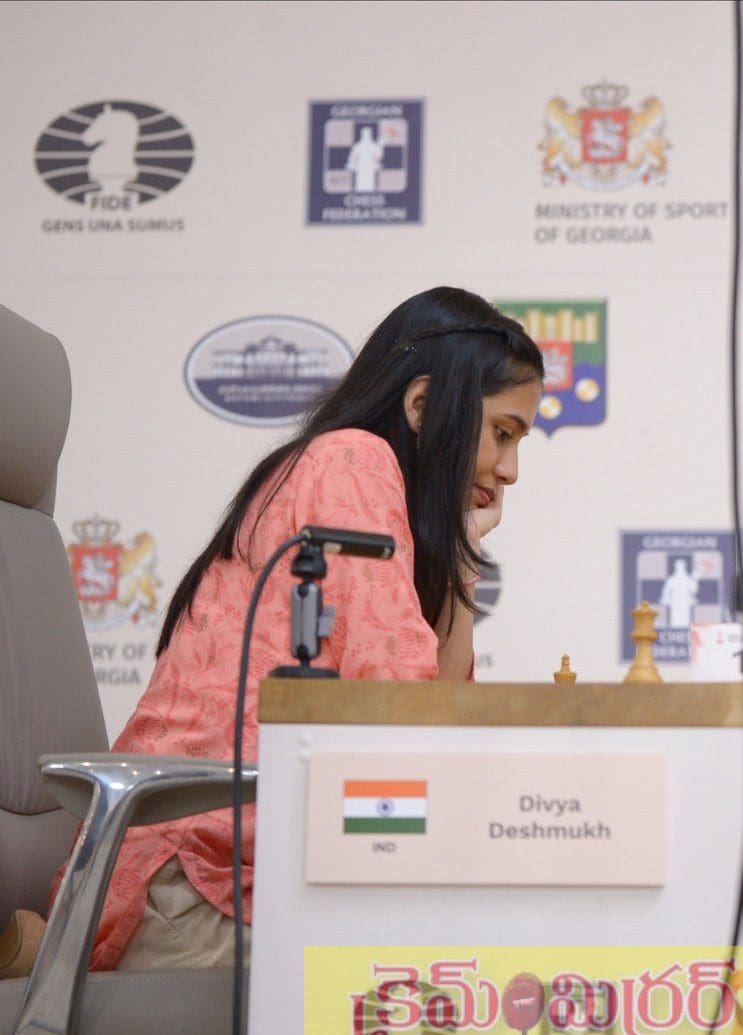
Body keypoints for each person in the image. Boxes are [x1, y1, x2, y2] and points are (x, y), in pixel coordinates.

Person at [71, 286, 544, 971]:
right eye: (503, 432)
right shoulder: (351, 459)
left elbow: (431, 715)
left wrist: (463, 556)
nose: (511, 471)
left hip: (262, 881)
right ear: (420, 406)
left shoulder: (371, 485)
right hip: (193, 889)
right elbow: (403, 704)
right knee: (457, 975)